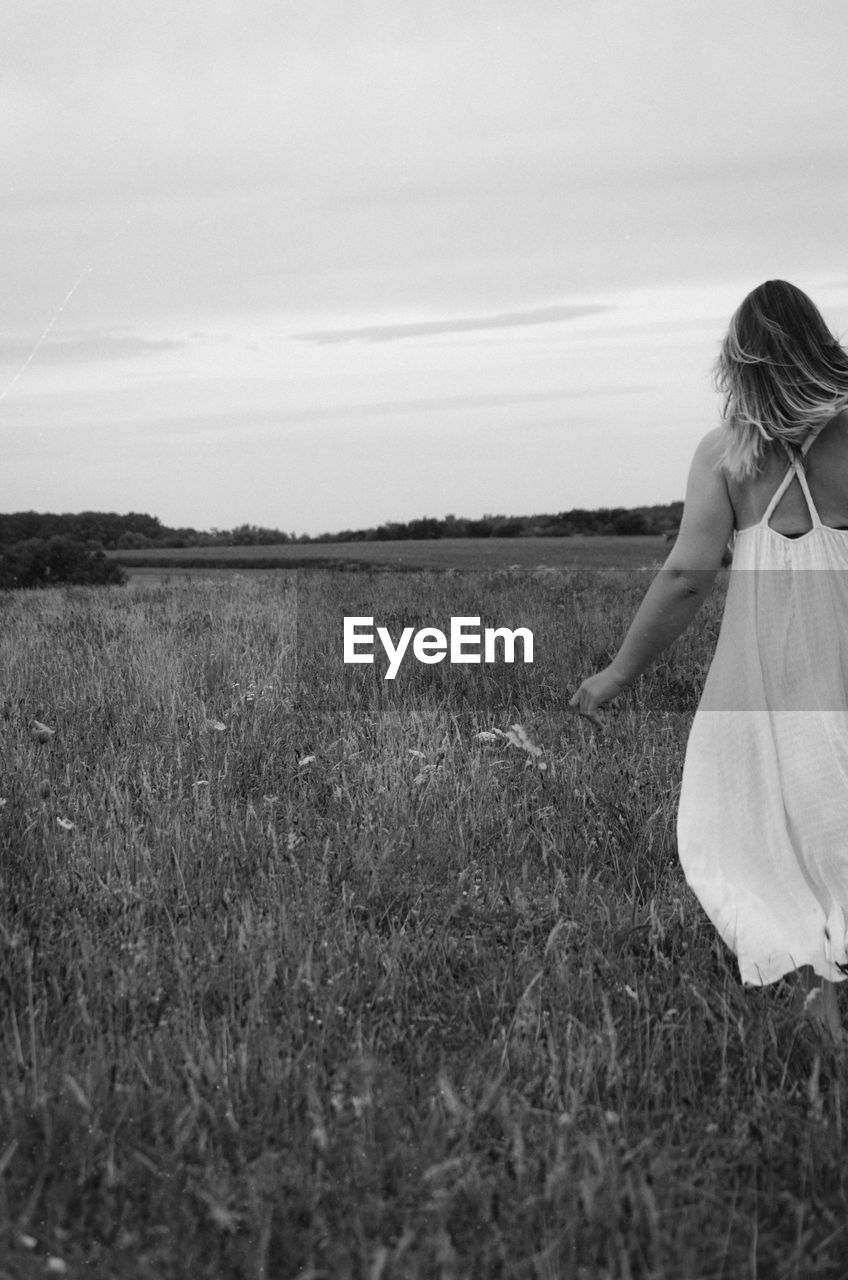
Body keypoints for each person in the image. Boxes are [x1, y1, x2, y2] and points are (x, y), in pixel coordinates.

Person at [569, 280, 848, 1037]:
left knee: (766, 829)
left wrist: (619, 672)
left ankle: (816, 991)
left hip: (770, 672)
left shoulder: (728, 452)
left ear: (741, 359)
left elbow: (690, 575)